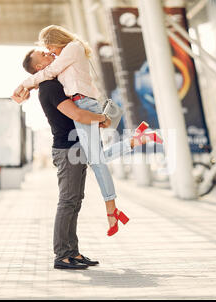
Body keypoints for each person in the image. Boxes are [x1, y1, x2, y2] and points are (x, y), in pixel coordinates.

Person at [12, 25, 162, 237]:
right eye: (45, 52)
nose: (50, 52)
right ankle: (135, 141)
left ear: (56, 40)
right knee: (97, 158)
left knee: (97, 162)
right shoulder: (61, 63)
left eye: (49, 48)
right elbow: (46, 75)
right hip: (84, 104)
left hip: (83, 104)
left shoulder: (72, 48)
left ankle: (112, 209)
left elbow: (48, 72)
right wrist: (27, 88)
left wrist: (25, 83)